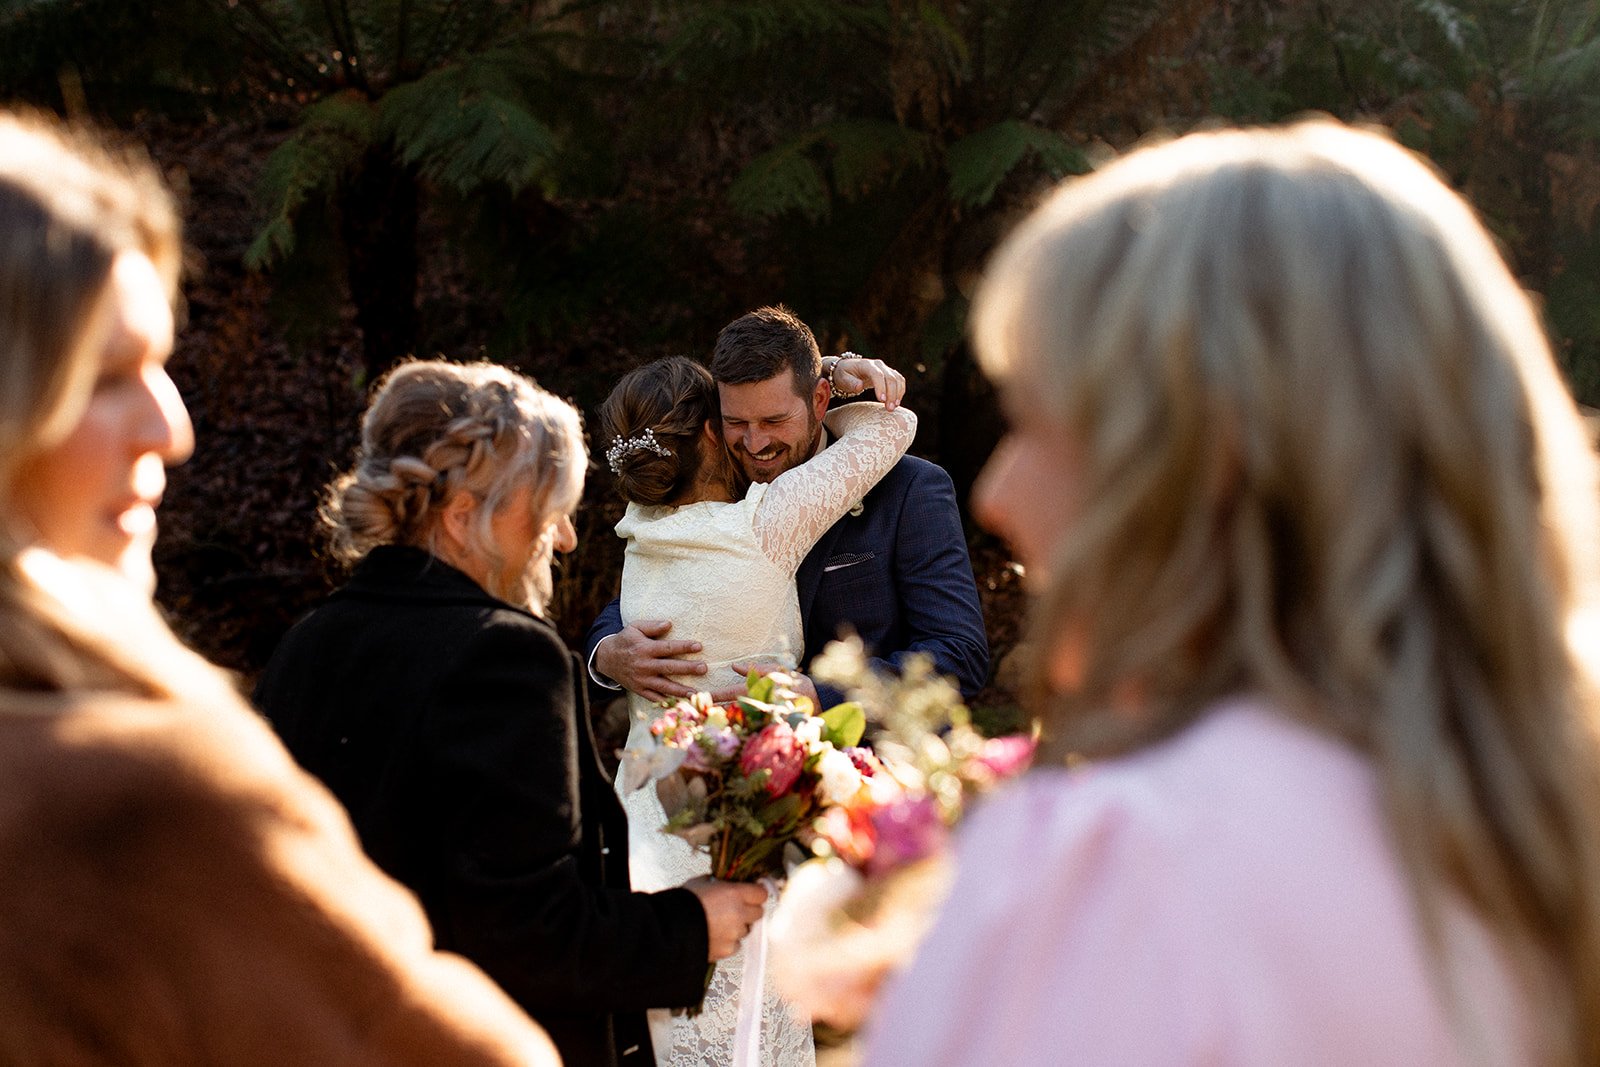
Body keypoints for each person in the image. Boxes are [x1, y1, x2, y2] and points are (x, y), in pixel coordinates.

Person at [862, 119, 1600, 1065]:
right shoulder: (1541, 847)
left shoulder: (1116, 874)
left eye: (1035, 422)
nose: (997, 494)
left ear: (1202, 457)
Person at [0, 110, 558, 1064]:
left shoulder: (309, 639)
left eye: (163, 365)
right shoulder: (123, 797)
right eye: (105, 376)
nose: (170, 427)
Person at [252, 359, 769, 1067]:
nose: (563, 538)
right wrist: (690, 926)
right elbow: (529, 933)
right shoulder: (502, 655)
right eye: (545, 505)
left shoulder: (306, 645)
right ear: (464, 516)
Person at [595, 353, 916, 1066]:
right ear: (713, 436)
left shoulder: (639, 528)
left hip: (649, 824)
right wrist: (835, 380)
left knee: (679, 1035)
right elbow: (891, 432)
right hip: (739, 834)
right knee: (753, 1033)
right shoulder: (765, 524)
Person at [586, 306, 988, 711]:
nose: (755, 444)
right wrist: (606, 652)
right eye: (736, 422)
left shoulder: (911, 489)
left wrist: (822, 697)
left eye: (774, 420)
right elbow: (656, 580)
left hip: (866, 760)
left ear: (818, 399)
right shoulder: (715, 484)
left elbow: (959, 654)